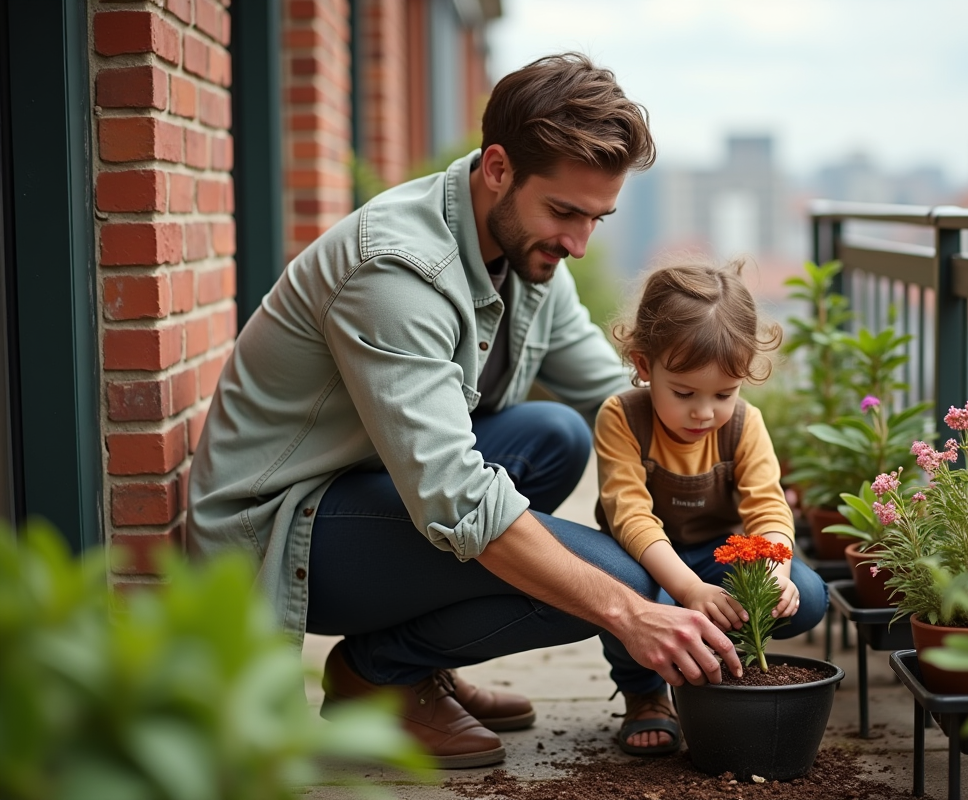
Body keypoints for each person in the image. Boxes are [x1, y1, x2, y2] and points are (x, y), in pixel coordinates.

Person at [186, 52, 745, 770]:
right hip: (284, 531)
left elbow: (615, 398)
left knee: (556, 435)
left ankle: (415, 664)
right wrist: (632, 613)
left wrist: (736, 472)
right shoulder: (396, 271)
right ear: (498, 168)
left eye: (597, 219)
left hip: (375, 488)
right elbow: (456, 497)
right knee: (614, 587)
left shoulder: (529, 251)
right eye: (565, 212)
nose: (577, 243)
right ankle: (379, 676)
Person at [594, 259, 829, 754]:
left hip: (716, 558)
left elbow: (768, 508)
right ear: (643, 365)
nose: (705, 412)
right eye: (684, 393)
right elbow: (630, 514)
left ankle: (723, 664)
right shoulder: (621, 417)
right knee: (620, 597)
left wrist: (777, 570)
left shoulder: (745, 424)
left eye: (724, 393)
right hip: (645, 564)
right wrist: (688, 589)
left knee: (807, 593)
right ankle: (645, 696)